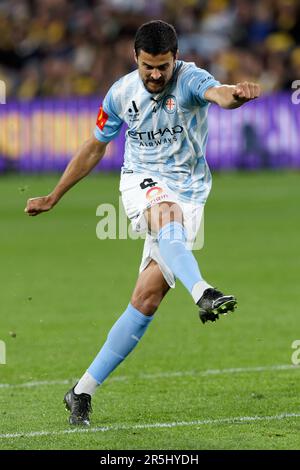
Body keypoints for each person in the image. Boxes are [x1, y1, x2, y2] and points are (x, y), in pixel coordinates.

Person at [25, 20, 261, 426]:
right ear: (136, 57)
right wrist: (54, 195)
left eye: (162, 67)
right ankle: (202, 290)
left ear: (175, 59)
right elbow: (94, 147)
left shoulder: (189, 79)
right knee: (164, 212)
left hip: (190, 192)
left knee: (146, 300)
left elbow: (218, 94)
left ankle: (80, 391)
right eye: (148, 66)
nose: (155, 74)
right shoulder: (120, 93)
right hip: (141, 182)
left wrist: (235, 95)